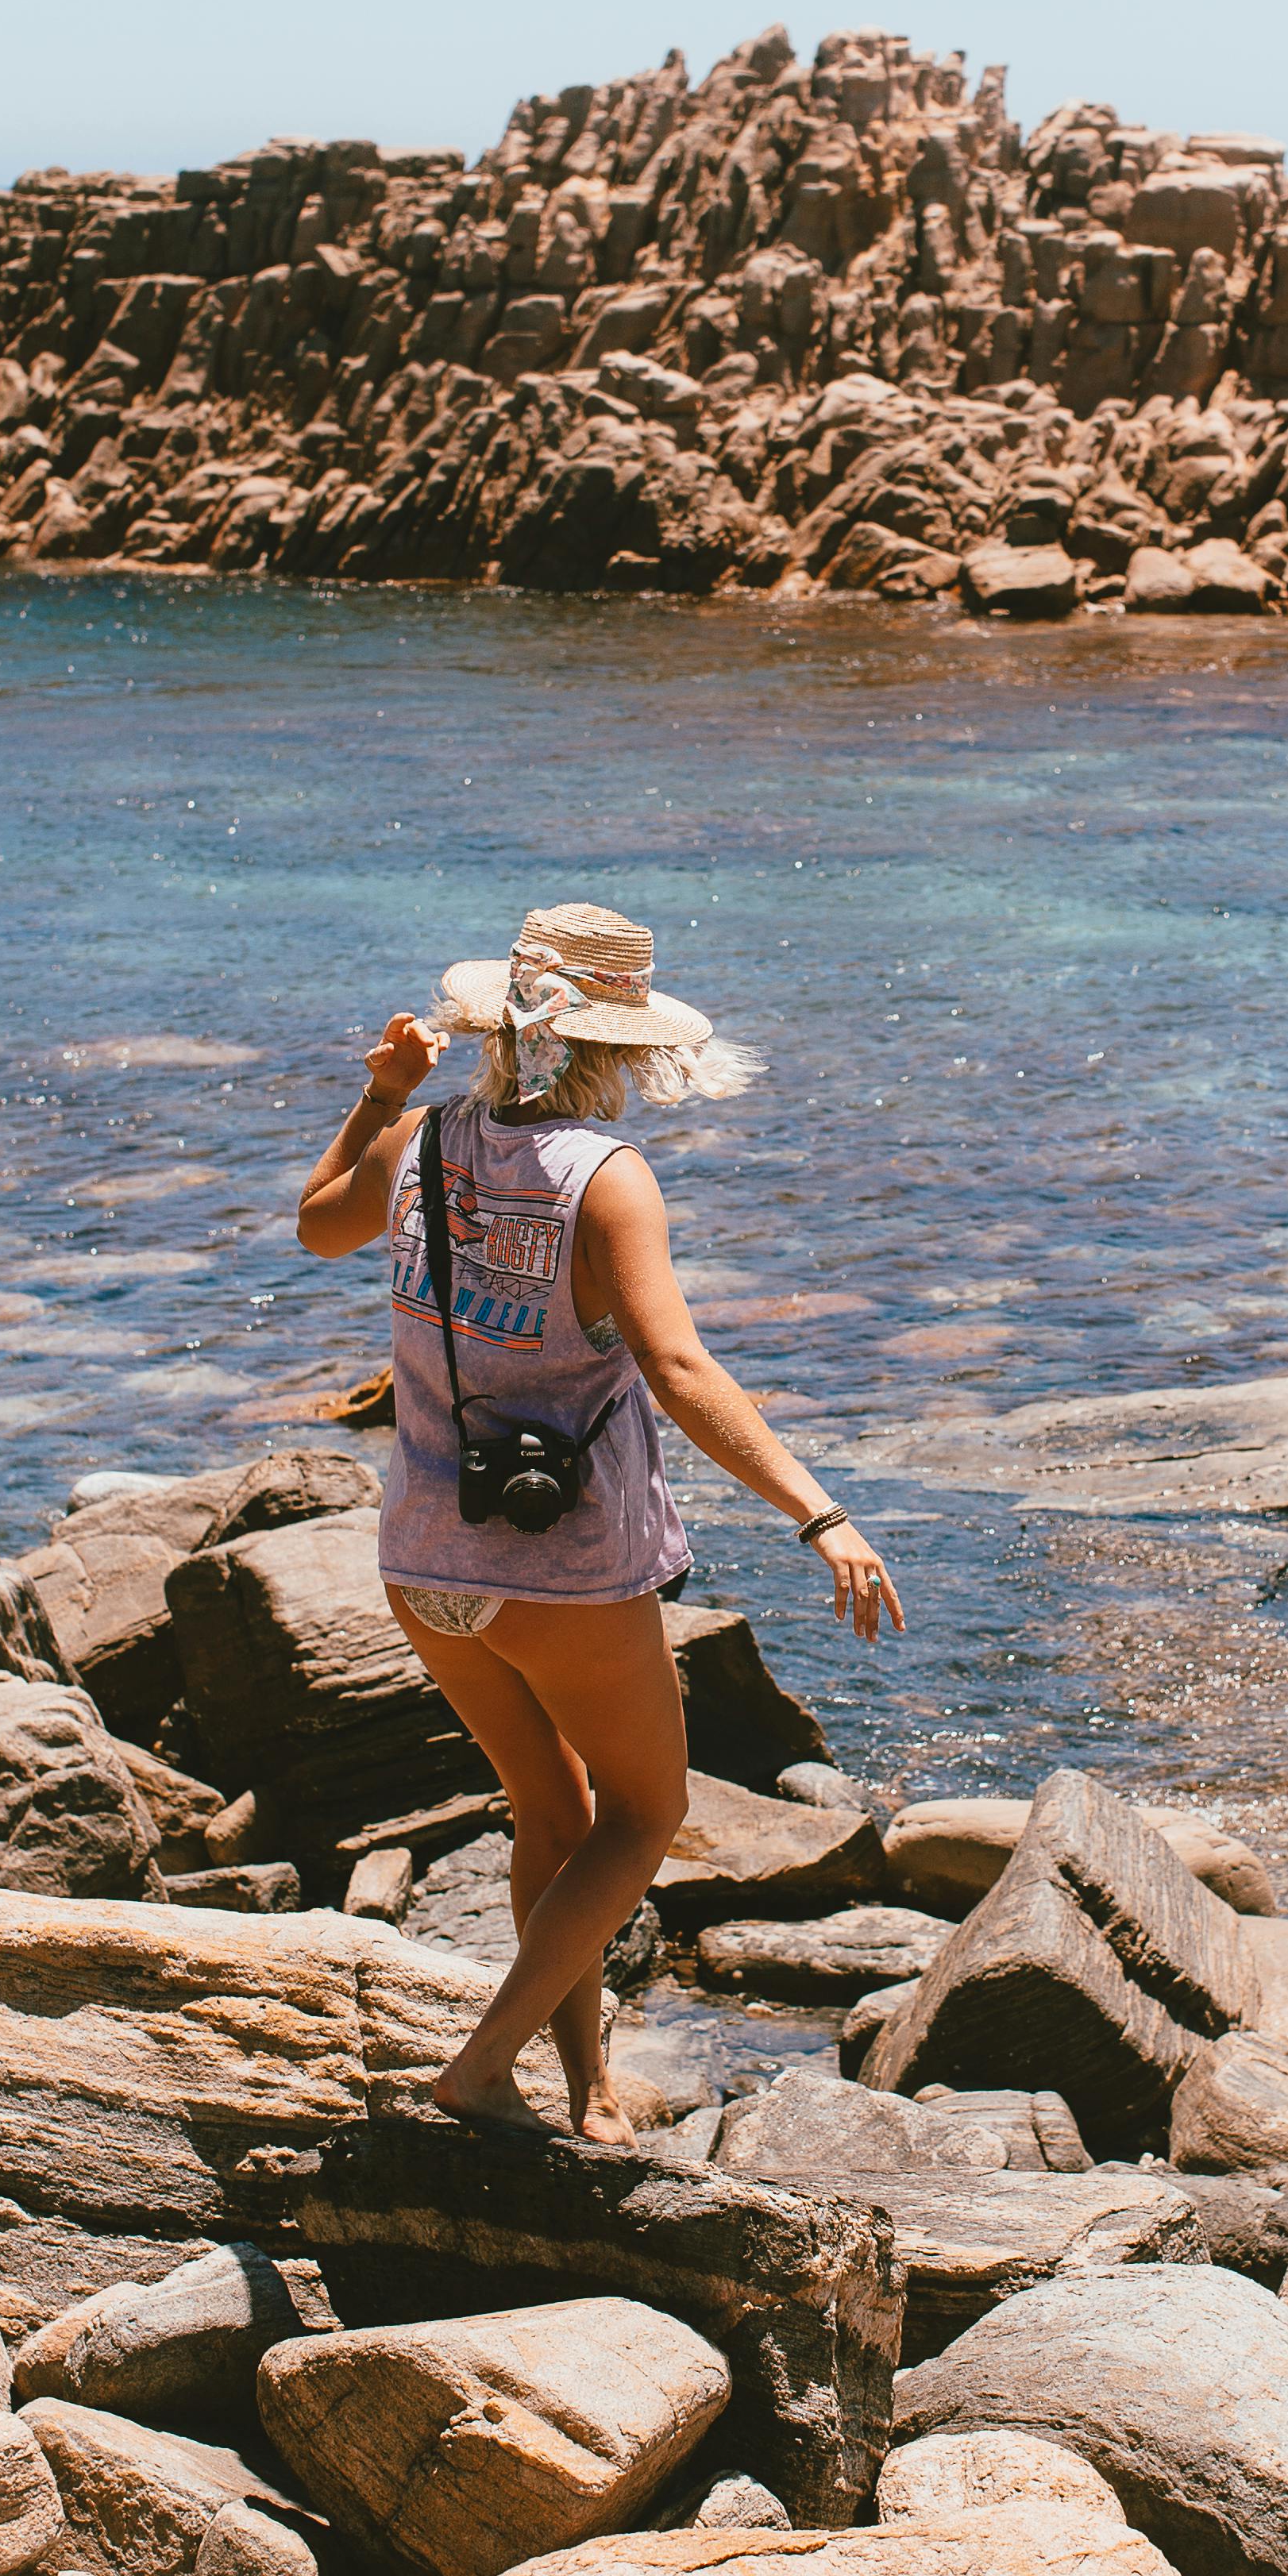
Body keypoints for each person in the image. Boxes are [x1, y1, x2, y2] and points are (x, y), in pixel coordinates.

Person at [297, 902, 900, 2141]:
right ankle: (476, 2070)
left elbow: (317, 1226)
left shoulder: (420, 1141)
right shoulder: (605, 1178)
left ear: (494, 1035)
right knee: (643, 1819)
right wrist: (818, 1512)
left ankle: (586, 2092)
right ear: (619, 1052)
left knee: (555, 1817)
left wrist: (378, 1098)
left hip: (423, 1556)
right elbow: (678, 1370)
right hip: (557, 1567)